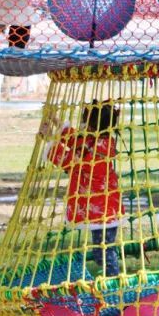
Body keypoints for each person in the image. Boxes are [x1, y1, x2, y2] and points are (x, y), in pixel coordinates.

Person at [45, 100, 123, 277]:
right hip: (104, 208)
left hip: (104, 210)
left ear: (92, 125)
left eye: (85, 121)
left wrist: (50, 140)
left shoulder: (97, 149)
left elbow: (69, 161)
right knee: (102, 250)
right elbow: (76, 140)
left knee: (104, 251)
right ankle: (111, 279)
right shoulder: (99, 140)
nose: (82, 124)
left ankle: (114, 281)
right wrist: (56, 122)